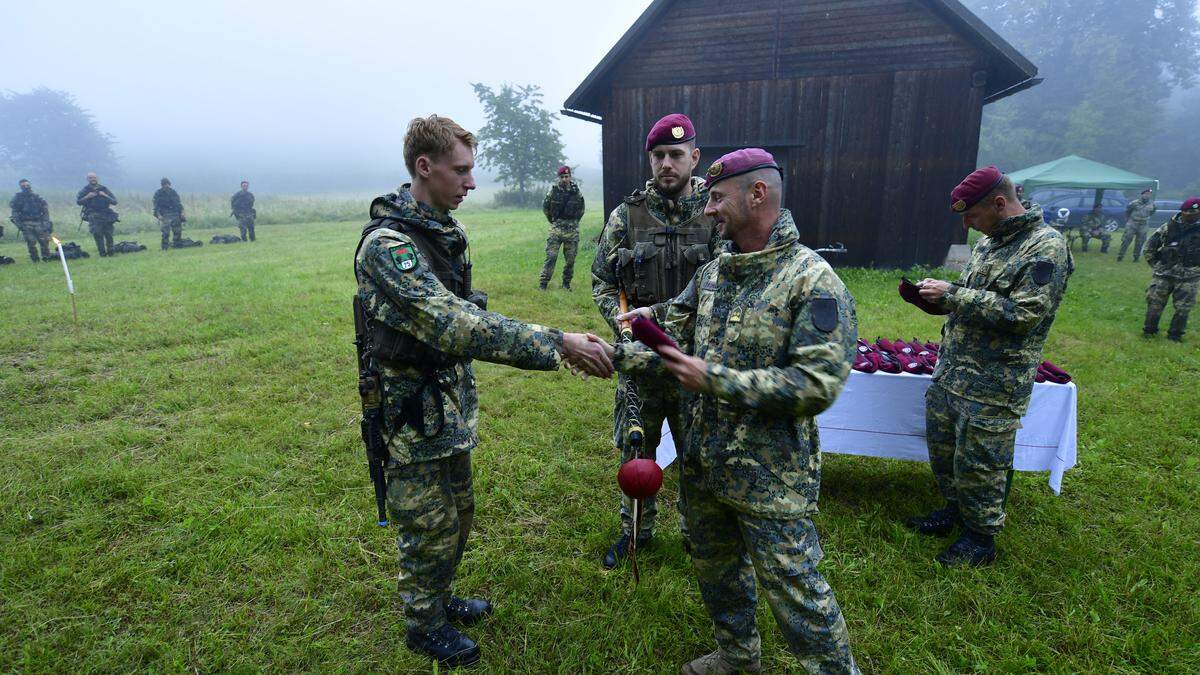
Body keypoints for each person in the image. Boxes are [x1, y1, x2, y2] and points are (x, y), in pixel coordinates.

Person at [353, 115, 611, 668]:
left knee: (459, 510)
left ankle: (441, 598)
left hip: (449, 400)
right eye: (462, 171)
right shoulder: (388, 246)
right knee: (427, 520)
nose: (471, 183)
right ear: (425, 167)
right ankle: (423, 622)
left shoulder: (445, 230)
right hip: (410, 410)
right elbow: (453, 323)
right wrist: (558, 343)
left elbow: (463, 313)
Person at [594, 149, 859, 674]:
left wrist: (711, 378)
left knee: (796, 591)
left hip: (770, 475)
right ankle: (737, 657)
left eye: (716, 198)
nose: (708, 208)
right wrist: (611, 352)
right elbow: (674, 327)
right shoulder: (716, 272)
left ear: (756, 194)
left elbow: (817, 383)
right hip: (704, 464)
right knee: (717, 571)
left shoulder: (812, 281)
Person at [907, 166, 1073, 566]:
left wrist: (954, 295)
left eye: (971, 215)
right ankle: (955, 510)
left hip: (996, 380)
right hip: (954, 371)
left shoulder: (1044, 247)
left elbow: (1024, 315)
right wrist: (936, 299)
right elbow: (974, 299)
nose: (967, 224)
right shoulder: (988, 243)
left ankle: (980, 539)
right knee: (945, 449)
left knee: (982, 462)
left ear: (1000, 204)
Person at [591, 113, 721, 570]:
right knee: (635, 451)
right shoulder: (625, 216)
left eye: (676, 155)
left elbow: (727, 289)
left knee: (697, 457)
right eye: (659, 156)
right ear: (650, 159)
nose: (667, 164)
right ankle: (634, 533)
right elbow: (602, 281)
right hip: (641, 364)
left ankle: (698, 536)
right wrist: (621, 322)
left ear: (694, 157)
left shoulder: (716, 213)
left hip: (694, 363)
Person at [1141, 197, 1200, 341]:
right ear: (1182, 211)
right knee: (1154, 304)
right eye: (1187, 212)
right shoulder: (1168, 227)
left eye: (1194, 212)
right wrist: (1156, 266)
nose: (1190, 215)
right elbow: (1149, 248)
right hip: (1164, 275)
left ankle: (1175, 335)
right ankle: (1149, 332)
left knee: (1183, 308)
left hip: (1189, 276)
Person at [539, 166, 585, 290]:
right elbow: (545, 207)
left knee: (570, 260)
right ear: (559, 178)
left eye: (567, 176)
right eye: (562, 177)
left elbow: (581, 209)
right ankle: (543, 284)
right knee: (551, 257)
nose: (565, 179)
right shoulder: (553, 191)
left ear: (570, 177)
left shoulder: (576, 192)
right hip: (556, 229)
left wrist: (574, 222)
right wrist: (554, 222)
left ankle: (566, 284)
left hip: (572, 230)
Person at [9, 179, 52, 262]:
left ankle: (46, 258)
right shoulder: (17, 198)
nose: (26, 187)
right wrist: (20, 225)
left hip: (39, 222)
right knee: (31, 242)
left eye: (27, 185)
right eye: (23, 186)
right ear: (21, 187)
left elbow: (45, 209)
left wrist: (46, 222)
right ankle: (35, 259)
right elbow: (14, 213)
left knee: (44, 241)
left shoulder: (36, 197)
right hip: (26, 223)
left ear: (30, 186)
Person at [76, 173, 119, 257]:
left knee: (109, 234)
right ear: (87, 179)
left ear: (97, 178)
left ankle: (111, 253)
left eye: (94, 177)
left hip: (106, 214)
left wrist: (105, 195)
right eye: (90, 178)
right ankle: (102, 254)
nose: (93, 179)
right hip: (93, 215)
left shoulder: (104, 189)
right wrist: (87, 197)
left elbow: (115, 202)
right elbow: (78, 202)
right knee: (97, 235)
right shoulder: (85, 190)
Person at [1118, 189, 1157, 262]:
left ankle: (1136, 257)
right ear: (1142, 194)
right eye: (1146, 194)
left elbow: (1152, 212)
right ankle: (1120, 256)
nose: (1147, 195)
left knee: (1140, 242)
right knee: (1126, 240)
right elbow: (1128, 211)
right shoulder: (1134, 203)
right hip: (1133, 223)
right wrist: (1128, 221)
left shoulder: (1152, 204)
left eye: (1149, 194)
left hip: (1143, 224)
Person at [153, 178, 186, 250]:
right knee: (165, 232)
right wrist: (159, 216)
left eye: (168, 184)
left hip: (175, 213)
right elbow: (156, 206)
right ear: (162, 185)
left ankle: (177, 245)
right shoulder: (158, 193)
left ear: (169, 184)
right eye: (165, 184)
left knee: (177, 231)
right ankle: (165, 247)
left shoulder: (173, 192)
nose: (167, 186)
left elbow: (179, 204)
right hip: (165, 214)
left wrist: (182, 213)